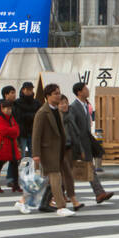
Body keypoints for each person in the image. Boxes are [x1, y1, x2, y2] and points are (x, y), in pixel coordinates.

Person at [31, 83, 74, 217]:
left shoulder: (56, 110)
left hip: (59, 150)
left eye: (59, 92)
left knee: (48, 179)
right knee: (55, 176)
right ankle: (61, 206)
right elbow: (36, 135)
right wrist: (36, 154)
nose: (58, 95)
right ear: (48, 96)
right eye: (55, 93)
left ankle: (25, 200)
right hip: (47, 150)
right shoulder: (42, 113)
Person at [69, 82, 113, 203]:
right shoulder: (73, 107)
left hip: (86, 143)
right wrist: (78, 145)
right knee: (69, 171)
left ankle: (99, 193)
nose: (87, 90)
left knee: (89, 169)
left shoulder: (85, 105)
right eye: (85, 89)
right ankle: (56, 194)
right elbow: (73, 127)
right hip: (78, 145)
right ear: (79, 92)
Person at [55, 95, 86, 211]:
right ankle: (73, 200)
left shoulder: (71, 116)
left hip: (72, 147)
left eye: (65, 102)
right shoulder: (57, 118)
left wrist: (81, 150)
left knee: (65, 175)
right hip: (61, 149)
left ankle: (56, 197)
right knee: (67, 175)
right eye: (61, 103)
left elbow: (77, 134)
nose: (64, 105)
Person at [0, 86, 19, 190]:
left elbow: (16, 128)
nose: (14, 94)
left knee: (14, 162)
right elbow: (2, 128)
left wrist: (11, 131)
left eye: (14, 92)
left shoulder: (13, 109)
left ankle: (14, 182)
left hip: (11, 142)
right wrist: (9, 130)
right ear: (6, 94)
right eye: (12, 92)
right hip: (2, 142)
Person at [15, 82, 40, 158]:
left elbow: (39, 115)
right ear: (23, 90)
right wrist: (31, 116)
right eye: (28, 89)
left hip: (33, 131)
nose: (29, 91)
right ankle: (22, 169)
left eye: (31, 89)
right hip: (22, 132)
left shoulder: (36, 102)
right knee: (22, 154)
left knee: (33, 153)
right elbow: (18, 117)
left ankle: (30, 169)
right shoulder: (17, 102)